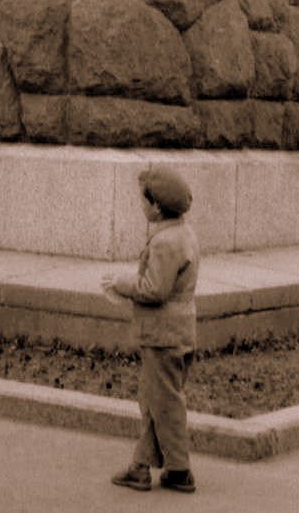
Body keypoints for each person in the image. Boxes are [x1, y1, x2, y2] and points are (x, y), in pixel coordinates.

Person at [101, 165, 199, 493]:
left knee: (163, 403)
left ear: (156, 206)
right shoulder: (185, 234)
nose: (141, 208)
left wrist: (122, 283)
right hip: (179, 332)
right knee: (156, 400)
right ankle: (141, 467)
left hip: (162, 336)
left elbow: (154, 289)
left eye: (143, 202)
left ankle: (179, 470)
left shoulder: (164, 243)